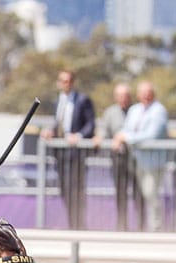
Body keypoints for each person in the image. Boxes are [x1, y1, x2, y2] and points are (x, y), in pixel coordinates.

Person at [112, 81, 169, 233]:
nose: (145, 95)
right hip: (136, 161)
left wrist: (126, 137)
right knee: (142, 195)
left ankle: (155, 228)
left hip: (153, 162)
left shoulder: (159, 110)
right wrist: (120, 136)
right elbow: (127, 129)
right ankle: (144, 227)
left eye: (148, 91)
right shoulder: (135, 110)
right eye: (142, 92)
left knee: (151, 193)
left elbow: (151, 135)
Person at [42, 70, 96, 229]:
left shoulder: (83, 100)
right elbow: (57, 123)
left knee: (77, 192)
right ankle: (73, 225)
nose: (65, 84)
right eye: (62, 81)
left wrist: (78, 136)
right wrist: (50, 132)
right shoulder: (57, 101)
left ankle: (80, 226)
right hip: (61, 155)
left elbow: (90, 125)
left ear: (72, 82)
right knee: (65, 192)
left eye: (68, 81)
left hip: (76, 154)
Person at [93, 83, 139, 230]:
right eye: (120, 96)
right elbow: (103, 129)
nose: (123, 99)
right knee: (121, 192)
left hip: (136, 159)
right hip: (118, 159)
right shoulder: (110, 112)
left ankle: (140, 224)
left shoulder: (137, 110)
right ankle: (122, 224)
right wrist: (99, 137)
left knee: (139, 193)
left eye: (126, 96)